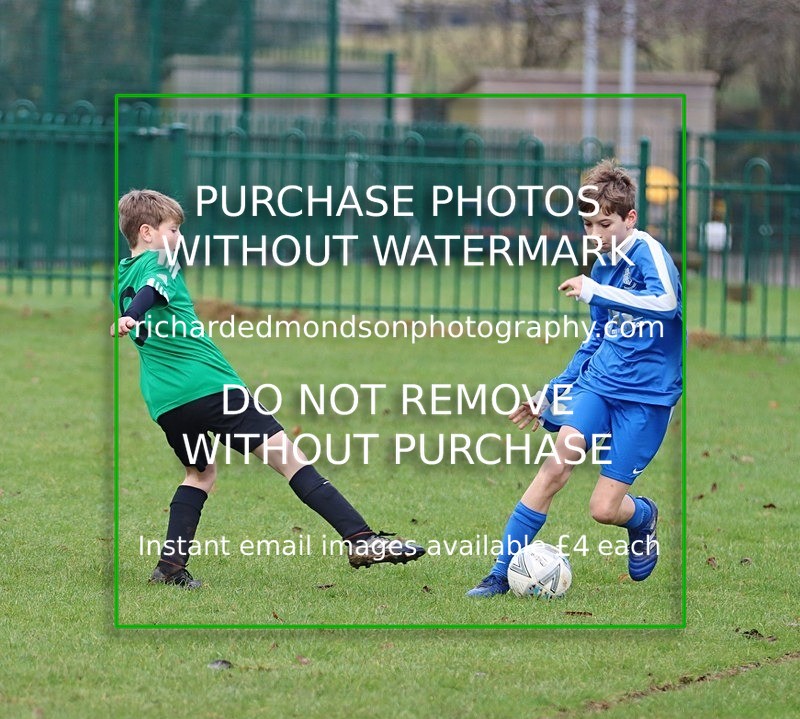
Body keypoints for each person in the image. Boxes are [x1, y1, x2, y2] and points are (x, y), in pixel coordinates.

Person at [112, 189, 425, 588]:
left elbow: (141, 297)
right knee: (289, 460)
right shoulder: (161, 261)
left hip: (166, 402)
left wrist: (127, 316)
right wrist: (133, 315)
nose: (180, 238)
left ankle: (170, 568)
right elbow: (153, 290)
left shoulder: (122, 276)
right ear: (147, 232)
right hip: (211, 389)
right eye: (174, 229)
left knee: (200, 474)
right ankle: (361, 539)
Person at [467, 159, 682, 597]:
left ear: (630, 218)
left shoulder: (648, 254)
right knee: (556, 464)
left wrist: (593, 289)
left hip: (647, 398)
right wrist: (550, 393)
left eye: (605, 224)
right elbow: (595, 340)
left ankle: (641, 516)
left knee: (603, 509)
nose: (596, 236)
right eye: (588, 226)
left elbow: (666, 303)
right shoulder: (602, 267)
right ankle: (500, 572)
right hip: (600, 384)